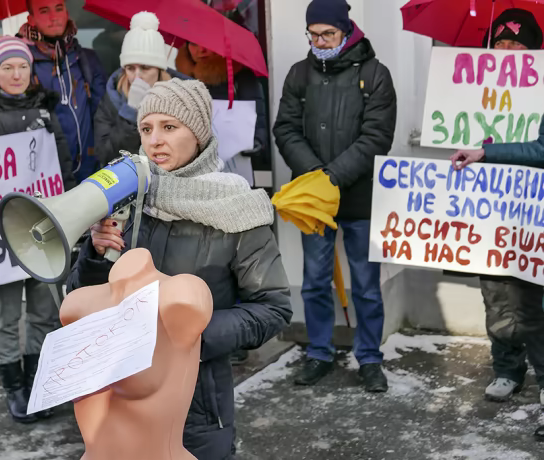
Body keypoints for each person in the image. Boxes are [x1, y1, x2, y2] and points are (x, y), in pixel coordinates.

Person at [67, 78, 292, 460]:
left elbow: (273, 309)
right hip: (118, 396)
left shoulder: (237, 208)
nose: (155, 140)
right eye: (146, 129)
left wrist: (187, 340)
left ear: (199, 133)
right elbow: (81, 299)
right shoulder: (127, 200)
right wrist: (95, 253)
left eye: (169, 127)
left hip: (196, 406)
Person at [273, 0, 397, 392]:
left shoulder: (375, 74)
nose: (320, 42)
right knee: (314, 281)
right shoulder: (299, 73)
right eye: (313, 35)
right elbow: (285, 129)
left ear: (346, 30)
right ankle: (320, 353)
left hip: (360, 197)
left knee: (366, 285)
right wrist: (316, 175)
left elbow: (377, 137)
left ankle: (370, 359)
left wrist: (333, 176)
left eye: (328, 34)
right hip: (314, 200)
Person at [0, 36, 76, 424]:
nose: (16, 74)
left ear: (32, 71)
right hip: (1, 231)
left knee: (44, 311)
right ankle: (14, 388)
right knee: (7, 313)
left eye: (23, 66)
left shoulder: (46, 111)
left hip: (42, 227)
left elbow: (62, 165)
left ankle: (36, 383)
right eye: (8, 67)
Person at [450, 6, 544, 407]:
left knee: (534, 299)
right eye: (500, 42)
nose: (506, 50)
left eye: (516, 44)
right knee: (496, 293)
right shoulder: (474, 91)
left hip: (534, 212)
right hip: (489, 208)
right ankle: (507, 369)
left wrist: (488, 152)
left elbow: (541, 149)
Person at [18, 0, 107, 183]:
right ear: (31, 19)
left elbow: (102, 116)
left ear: (66, 13)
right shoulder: (21, 63)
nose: (54, 17)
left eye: (59, 8)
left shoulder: (87, 59)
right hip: (46, 178)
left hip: (90, 173)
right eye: (44, 11)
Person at [94, 11, 190, 166]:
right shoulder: (112, 99)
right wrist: (130, 113)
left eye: (145, 68)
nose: (137, 76)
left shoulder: (184, 97)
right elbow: (107, 156)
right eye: (130, 68)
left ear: (159, 69)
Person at [174, 33, 268, 180]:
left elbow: (258, 121)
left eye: (208, 43)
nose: (201, 50)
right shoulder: (179, 81)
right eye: (193, 44)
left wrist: (256, 141)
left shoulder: (241, 78)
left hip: (235, 169)